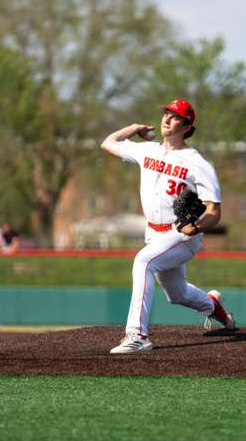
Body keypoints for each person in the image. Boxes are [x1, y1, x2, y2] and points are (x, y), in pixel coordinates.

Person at [99, 98, 237, 354]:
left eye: (175, 117)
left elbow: (214, 211)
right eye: (166, 113)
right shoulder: (147, 150)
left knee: (143, 262)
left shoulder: (198, 163)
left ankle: (137, 335)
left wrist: (196, 226)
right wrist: (134, 127)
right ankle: (215, 307)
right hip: (154, 233)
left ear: (187, 127)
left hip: (182, 234)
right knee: (177, 294)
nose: (167, 119)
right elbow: (108, 143)